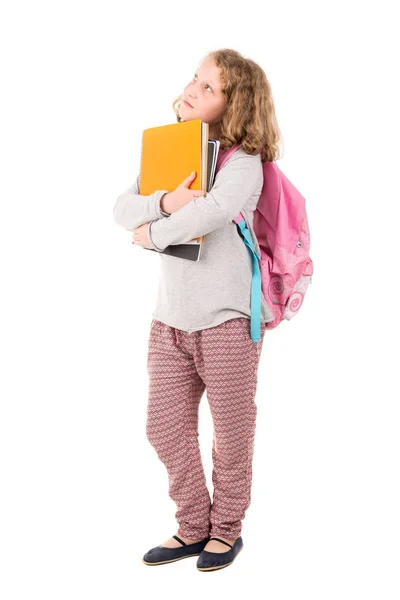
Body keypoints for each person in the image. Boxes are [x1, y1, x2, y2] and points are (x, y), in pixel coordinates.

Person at [114, 48, 283, 570]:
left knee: (231, 433)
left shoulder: (243, 163)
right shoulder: (171, 151)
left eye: (208, 88)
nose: (192, 89)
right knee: (162, 426)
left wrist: (148, 236)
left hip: (228, 320)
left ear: (236, 105)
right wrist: (164, 203)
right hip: (170, 320)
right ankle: (192, 524)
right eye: (194, 79)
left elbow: (213, 211)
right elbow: (122, 207)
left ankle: (225, 530)